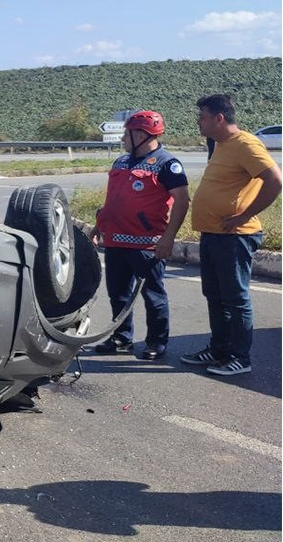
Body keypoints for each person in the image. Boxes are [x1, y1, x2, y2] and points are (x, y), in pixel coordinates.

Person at [182, 94, 281, 376]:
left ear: (219, 118)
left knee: (235, 299)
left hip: (234, 236)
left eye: (202, 117)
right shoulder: (220, 144)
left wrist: (244, 216)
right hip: (213, 234)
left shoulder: (245, 143)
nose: (198, 122)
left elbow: (275, 180)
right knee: (215, 296)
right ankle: (219, 349)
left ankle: (240, 357)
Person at [91, 111, 189, 360]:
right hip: (115, 241)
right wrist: (99, 225)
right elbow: (113, 200)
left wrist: (168, 238)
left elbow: (182, 201)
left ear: (142, 135)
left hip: (147, 246)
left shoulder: (167, 164)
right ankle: (121, 338)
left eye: (127, 133)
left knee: (153, 296)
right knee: (118, 295)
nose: (123, 138)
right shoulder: (121, 162)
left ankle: (156, 342)